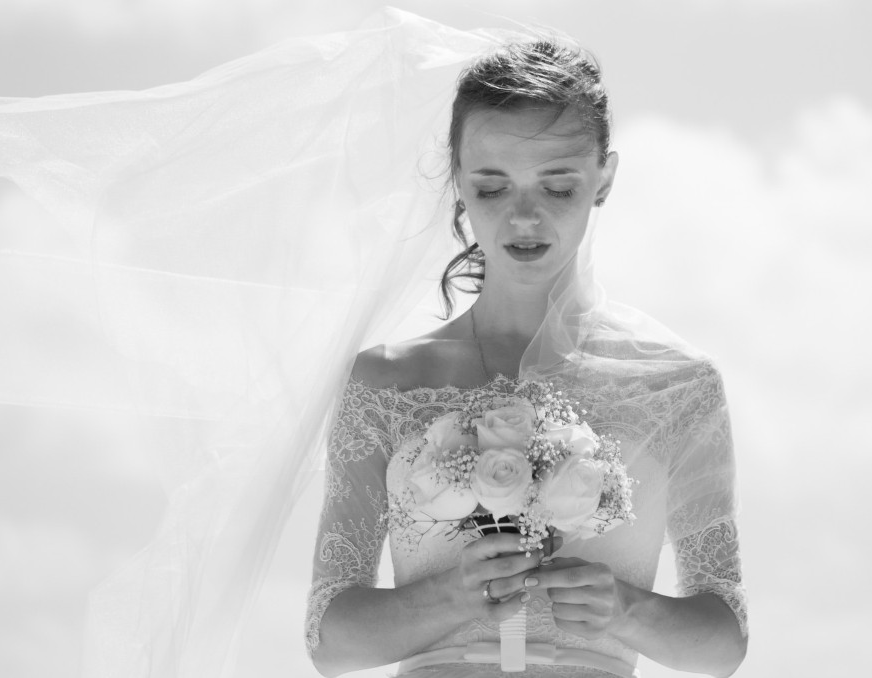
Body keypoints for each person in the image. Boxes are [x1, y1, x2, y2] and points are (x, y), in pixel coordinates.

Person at [305, 38, 747, 678]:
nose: (525, 216)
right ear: (457, 181)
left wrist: (623, 609)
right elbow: (330, 641)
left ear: (605, 178)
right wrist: (448, 596)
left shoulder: (677, 384)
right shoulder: (386, 381)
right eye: (491, 187)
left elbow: (724, 644)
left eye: (558, 185)